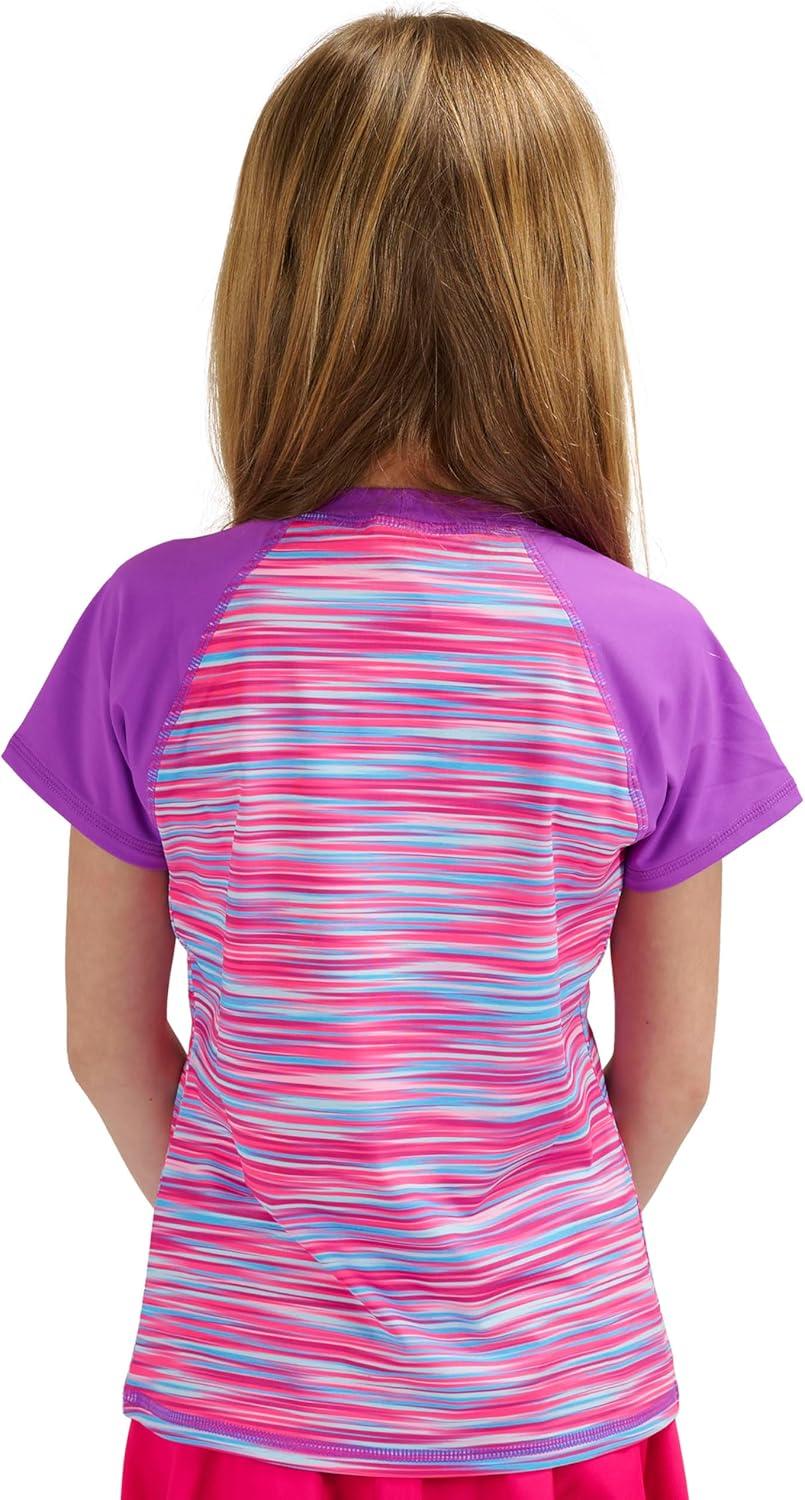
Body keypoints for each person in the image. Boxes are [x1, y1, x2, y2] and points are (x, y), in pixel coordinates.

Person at [2, 9, 800, 1499]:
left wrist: (273, 1267)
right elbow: (674, 1074)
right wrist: (512, 1286)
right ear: (558, 289)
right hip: (554, 1389)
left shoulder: (152, 622)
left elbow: (105, 1043)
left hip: (242, 1392)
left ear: (276, 277)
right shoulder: (646, 645)